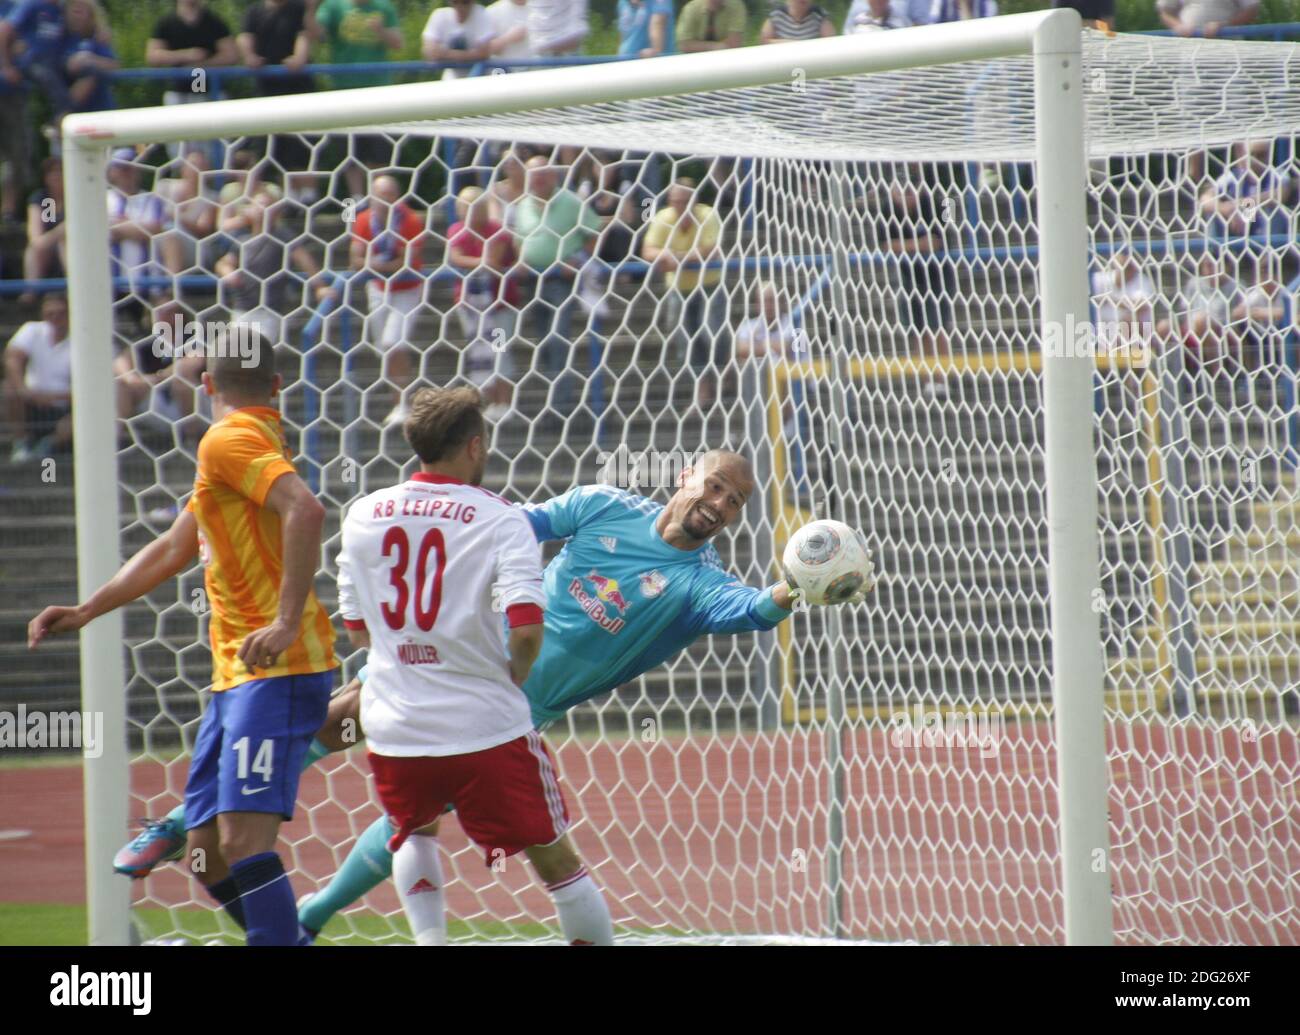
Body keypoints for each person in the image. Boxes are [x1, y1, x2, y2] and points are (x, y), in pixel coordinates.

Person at [119, 448, 876, 941]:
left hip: (506, 713)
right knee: (320, 726)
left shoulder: (699, 588)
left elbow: (752, 612)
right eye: (713, 485)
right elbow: (509, 524)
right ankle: (181, 824)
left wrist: (795, 588)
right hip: (459, 653)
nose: (718, 503)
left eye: (734, 501)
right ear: (685, 478)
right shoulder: (604, 505)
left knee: (405, 816)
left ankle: (308, 917)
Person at [30, 335, 339, 946]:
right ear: (278, 386)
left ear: (205, 387)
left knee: (241, 841)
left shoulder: (227, 438)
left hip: (275, 669)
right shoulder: (252, 444)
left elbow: (307, 511)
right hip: (238, 676)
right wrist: (91, 608)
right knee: (205, 850)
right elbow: (175, 547)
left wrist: (280, 623)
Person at [333, 385, 615, 945]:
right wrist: (515, 670)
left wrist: (405, 657)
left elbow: (356, 626)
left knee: (414, 832)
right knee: (556, 860)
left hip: (396, 728)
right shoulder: (499, 518)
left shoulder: (363, 513)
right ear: (476, 445)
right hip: (484, 726)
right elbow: (527, 627)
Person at [512, 154, 601, 413]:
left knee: (558, 340)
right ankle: (555, 397)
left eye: (542, 174)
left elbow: (595, 232)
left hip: (561, 282)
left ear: (553, 176)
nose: (537, 179)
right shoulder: (523, 205)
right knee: (543, 343)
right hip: (532, 282)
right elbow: (521, 239)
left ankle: (561, 406)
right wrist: (520, 259)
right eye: (533, 175)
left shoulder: (571, 202)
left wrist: (578, 259)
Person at [641, 177, 728, 407]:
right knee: (684, 339)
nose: (680, 206)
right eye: (676, 201)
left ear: (694, 200)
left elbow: (712, 249)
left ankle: (720, 374)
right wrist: (665, 256)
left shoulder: (708, 215)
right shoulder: (662, 218)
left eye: (685, 201)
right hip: (678, 288)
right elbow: (647, 250)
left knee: (713, 332)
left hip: (709, 285)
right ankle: (702, 385)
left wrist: (675, 258)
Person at [351, 173, 428, 425]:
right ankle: (400, 400)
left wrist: (373, 264)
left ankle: (403, 405)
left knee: (393, 342)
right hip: (378, 289)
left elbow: (407, 261)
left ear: (396, 197)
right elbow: (356, 260)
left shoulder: (410, 220)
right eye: (377, 196)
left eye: (386, 196)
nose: (381, 202)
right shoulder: (363, 220)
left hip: (407, 289)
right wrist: (381, 265)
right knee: (383, 348)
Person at [312, 0, 403, 197]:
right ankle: (355, 204)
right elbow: (316, 36)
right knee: (350, 154)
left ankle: (378, 202)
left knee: (380, 152)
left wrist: (381, 31)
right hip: (344, 92)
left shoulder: (384, 7)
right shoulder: (332, 7)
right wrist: (310, 8)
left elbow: (398, 43)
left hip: (378, 94)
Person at [446, 185, 519, 419]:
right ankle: (488, 403)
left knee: (499, 350)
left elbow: (493, 261)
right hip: (469, 305)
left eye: (471, 206)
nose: (465, 211)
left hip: (498, 305)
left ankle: (504, 402)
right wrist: (478, 262)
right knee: (478, 351)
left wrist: (473, 261)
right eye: (461, 206)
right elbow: (455, 257)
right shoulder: (455, 230)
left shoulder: (497, 230)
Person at [146, 0, 238, 161]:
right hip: (178, 93)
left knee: (213, 146)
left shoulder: (213, 21)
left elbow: (230, 54)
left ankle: (212, 180)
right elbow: (153, 56)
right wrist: (185, 55)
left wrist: (201, 65)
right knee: (179, 147)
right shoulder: (167, 22)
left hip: (208, 92)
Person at [4, 292, 71, 463]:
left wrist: (54, 397)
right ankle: (21, 442)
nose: (55, 318)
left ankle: (47, 447)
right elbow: (12, 359)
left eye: (61, 313)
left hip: (67, 406)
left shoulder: (84, 338)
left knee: (86, 411)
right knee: (9, 388)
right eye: (50, 313)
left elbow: (92, 387)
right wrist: (25, 391)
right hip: (31, 402)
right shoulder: (32, 330)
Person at [22, 156, 65, 302]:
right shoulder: (45, 200)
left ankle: (75, 283)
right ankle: (31, 291)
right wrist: (60, 231)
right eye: (52, 172)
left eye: (60, 171)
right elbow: (36, 238)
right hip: (48, 246)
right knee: (34, 249)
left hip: (75, 247)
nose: (56, 176)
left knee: (65, 242)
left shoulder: (75, 197)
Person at [63, 0, 117, 114]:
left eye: (81, 12)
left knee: (91, 73)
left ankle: (64, 113)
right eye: (74, 11)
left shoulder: (97, 39)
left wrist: (90, 60)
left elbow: (113, 65)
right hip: (75, 109)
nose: (76, 16)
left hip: (100, 108)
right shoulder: (63, 38)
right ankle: (64, 112)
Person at [422, 0, 498, 80]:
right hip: (452, 78)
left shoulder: (481, 14)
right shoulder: (439, 15)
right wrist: (469, 55)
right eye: (455, 2)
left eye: (465, 2)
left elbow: (484, 53)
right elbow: (429, 52)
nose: (460, 6)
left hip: (481, 78)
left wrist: (444, 53)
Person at [1157, 0, 1258, 38]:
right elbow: (1165, 12)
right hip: (1190, 51)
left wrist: (1224, 25)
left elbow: (1251, 10)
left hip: (1228, 52)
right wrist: (1178, 26)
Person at [676, 0, 745, 52]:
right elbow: (684, 44)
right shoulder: (691, 9)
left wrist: (696, 45)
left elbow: (734, 44)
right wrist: (716, 46)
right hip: (695, 61)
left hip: (727, 59)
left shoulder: (736, 6)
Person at [761, 0, 835, 42]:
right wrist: (789, 43)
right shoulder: (776, 14)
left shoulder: (819, 14)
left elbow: (830, 41)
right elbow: (765, 40)